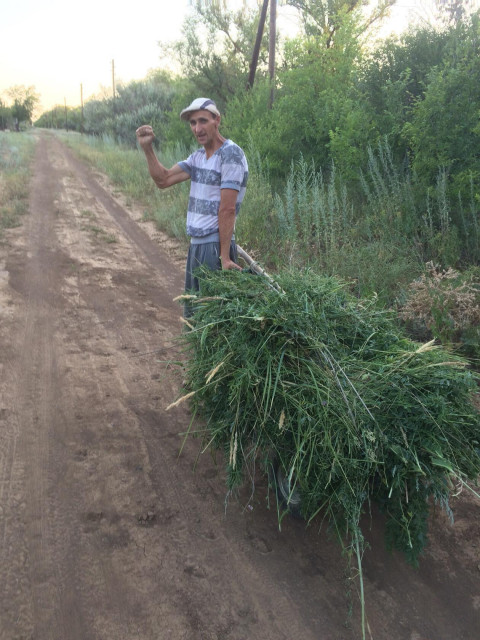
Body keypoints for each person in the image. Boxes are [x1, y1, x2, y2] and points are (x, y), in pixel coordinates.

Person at [135, 98, 248, 314]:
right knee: (195, 321)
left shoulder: (230, 154)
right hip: (197, 247)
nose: (197, 128)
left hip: (214, 248)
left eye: (203, 121)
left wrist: (224, 258)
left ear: (217, 120)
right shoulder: (198, 157)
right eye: (193, 123)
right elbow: (163, 179)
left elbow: (227, 209)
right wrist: (147, 148)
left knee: (210, 321)